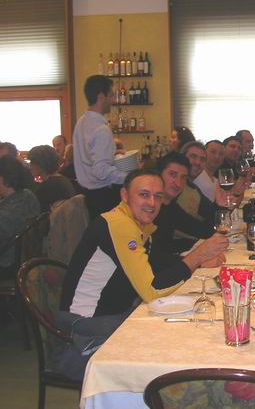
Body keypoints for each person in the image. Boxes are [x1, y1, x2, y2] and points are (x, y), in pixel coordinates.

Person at [57, 169, 227, 380]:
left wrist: (197, 261)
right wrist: (197, 256)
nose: (152, 203)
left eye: (158, 196)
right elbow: (152, 291)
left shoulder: (135, 223)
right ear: (125, 195)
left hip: (114, 314)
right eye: (144, 194)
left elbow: (152, 263)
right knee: (177, 342)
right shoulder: (119, 225)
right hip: (85, 327)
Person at [72, 75, 127, 219]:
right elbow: (101, 170)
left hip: (88, 194)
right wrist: (129, 178)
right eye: (111, 95)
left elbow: (88, 157)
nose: (113, 100)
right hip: (104, 196)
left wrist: (112, 154)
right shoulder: (102, 129)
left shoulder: (81, 123)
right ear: (101, 96)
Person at [0, 156, 41, 280]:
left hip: (2, 263)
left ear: (2, 179)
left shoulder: (11, 210)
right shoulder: (27, 196)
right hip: (19, 259)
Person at [153, 152, 218, 253]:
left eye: (183, 177)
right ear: (159, 175)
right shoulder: (151, 209)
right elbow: (156, 257)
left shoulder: (171, 207)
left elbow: (203, 230)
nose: (178, 183)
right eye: (173, 175)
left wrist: (221, 206)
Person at [27, 145, 75, 212]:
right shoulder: (63, 180)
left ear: (41, 164)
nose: (30, 165)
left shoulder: (45, 188)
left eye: (32, 162)